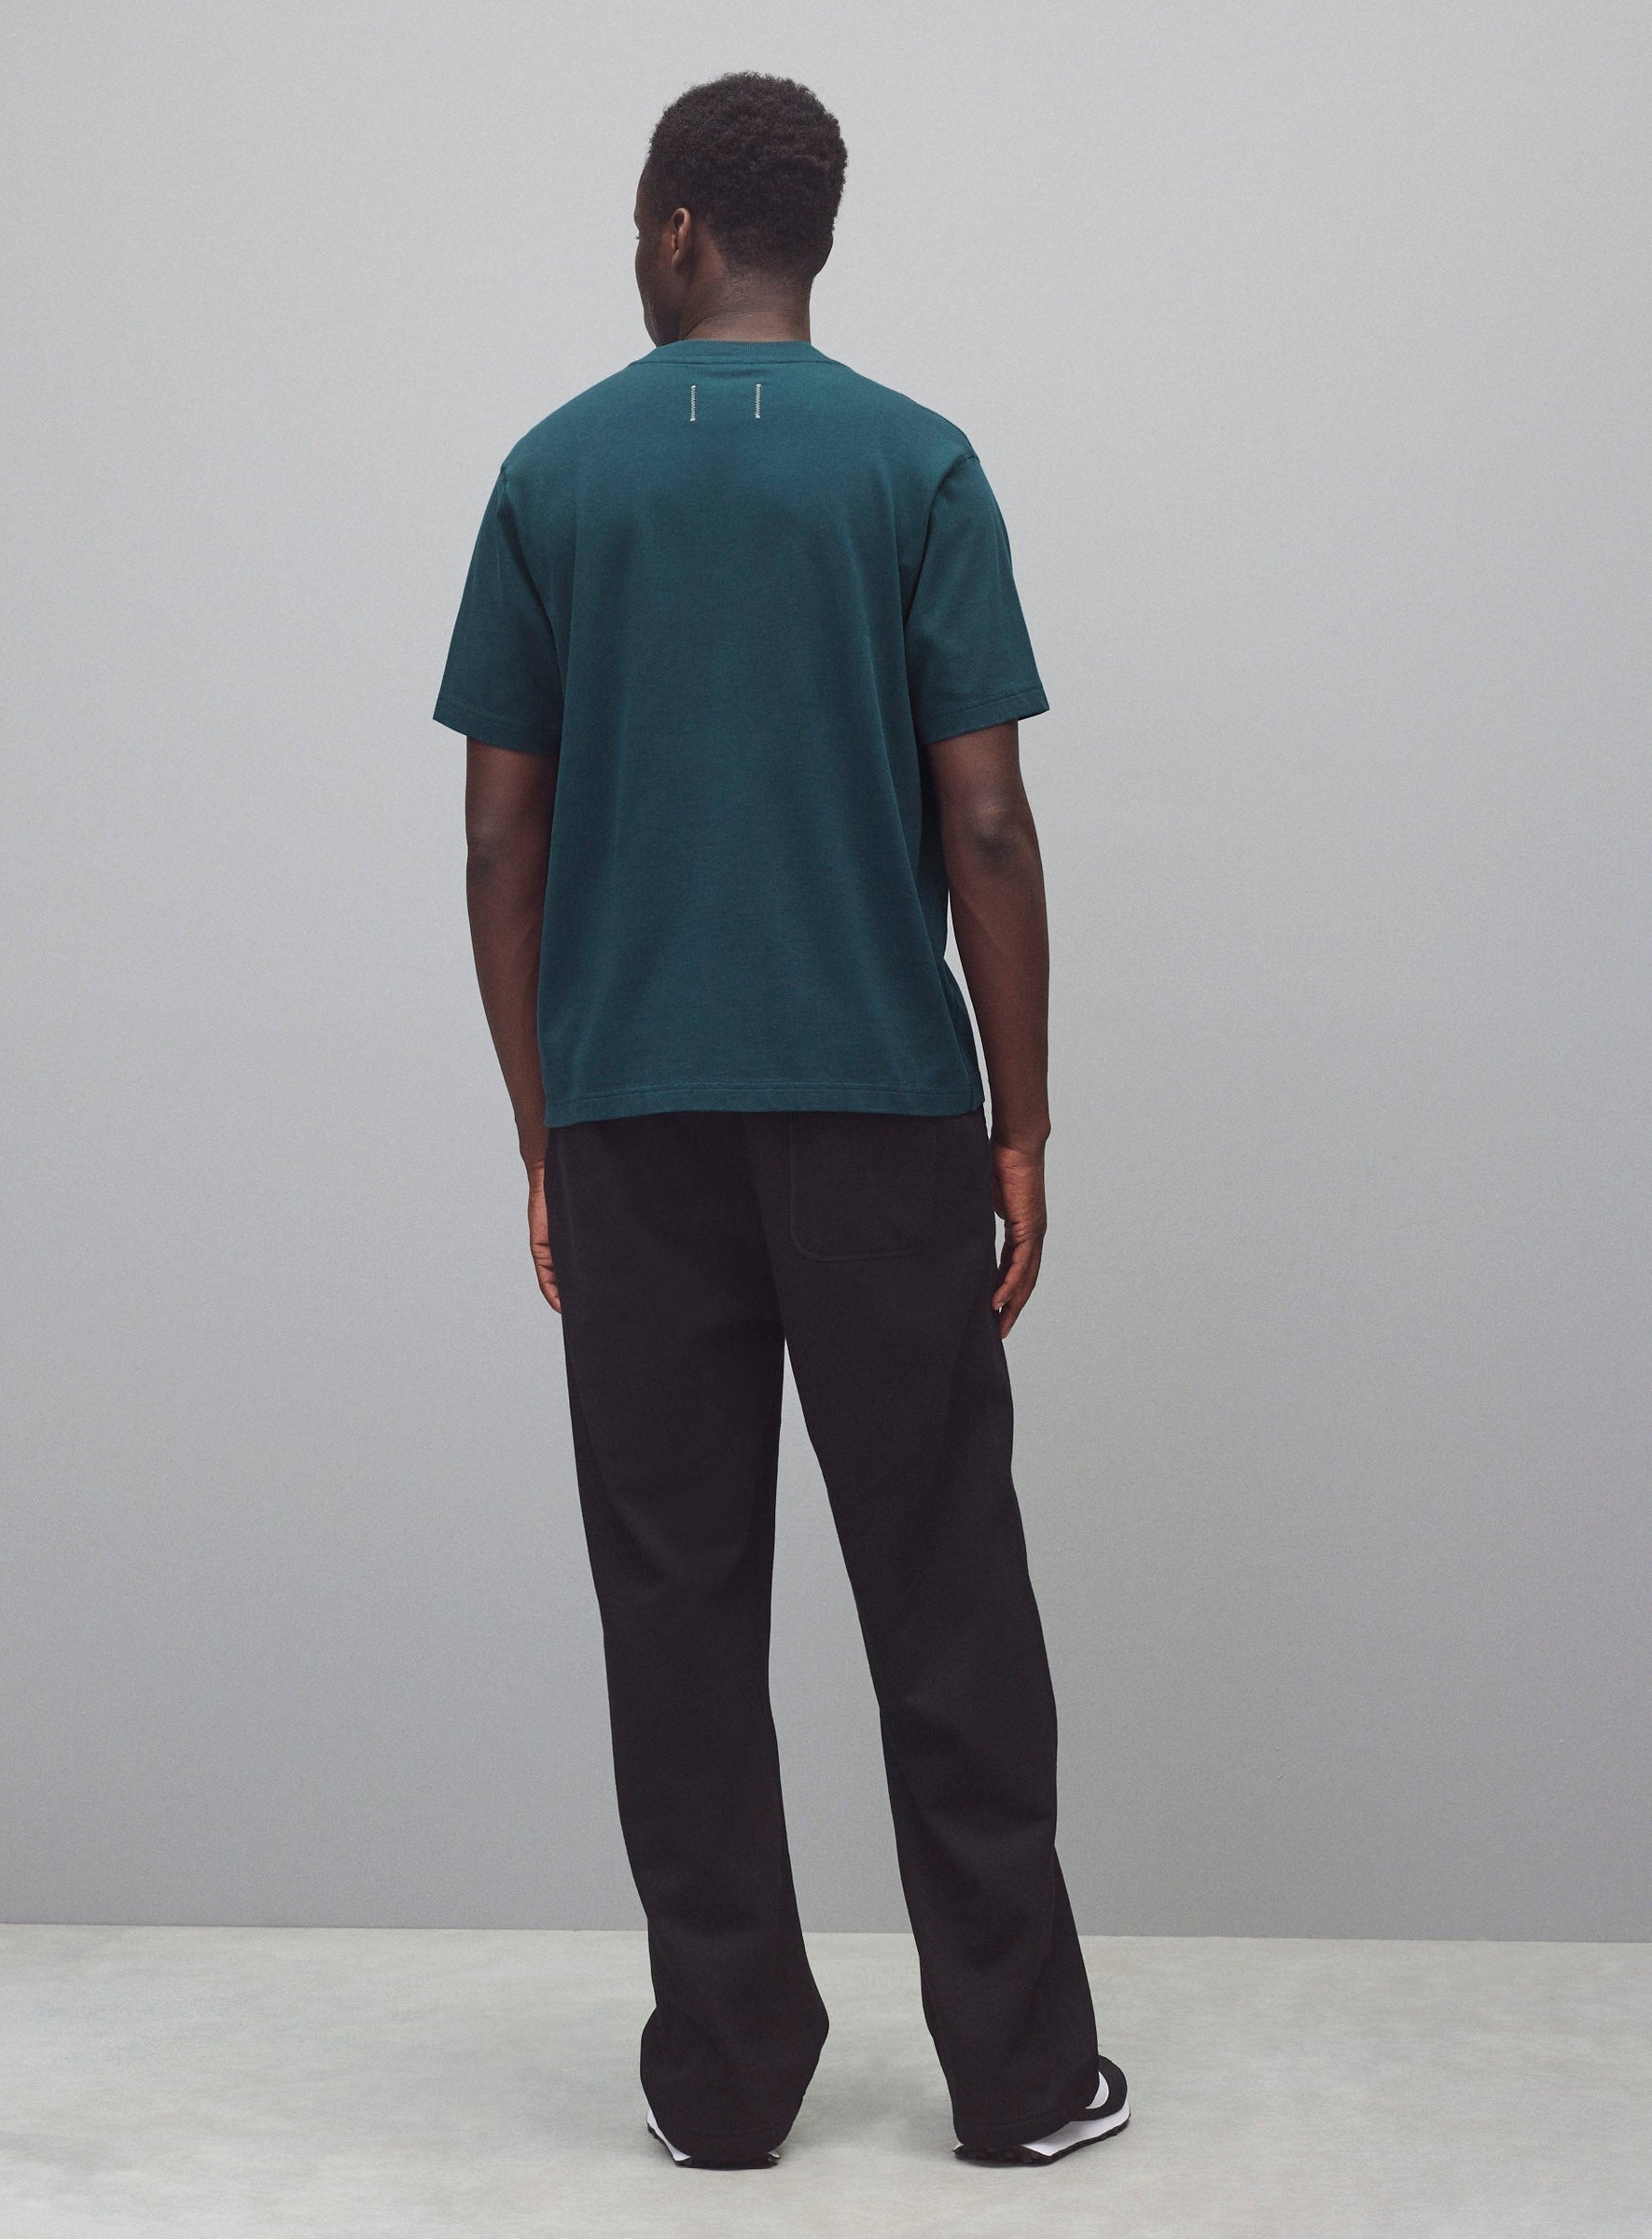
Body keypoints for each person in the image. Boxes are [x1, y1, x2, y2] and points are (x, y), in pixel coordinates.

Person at [436, 70, 1127, 2174]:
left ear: (677, 229)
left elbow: (500, 840)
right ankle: (1020, 2077)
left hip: (634, 1124)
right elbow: (986, 819)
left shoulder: (554, 473)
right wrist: (1021, 1123)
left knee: (676, 1601)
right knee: (945, 1590)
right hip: (881, 1111)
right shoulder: (917, 465)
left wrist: (543, 1126)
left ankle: (726, 2087)